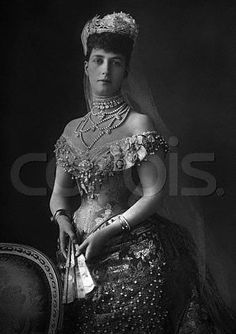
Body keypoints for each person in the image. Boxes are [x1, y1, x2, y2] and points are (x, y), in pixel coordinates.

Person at [50, 12, 236, 333]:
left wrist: (107, 231)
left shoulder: (138, 124)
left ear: (126, 72)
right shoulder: (71, 129)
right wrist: (63, 220)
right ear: (87, 66)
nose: (105, 70)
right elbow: (58, 195)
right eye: (98, 60)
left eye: (115, 62)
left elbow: (154, 194)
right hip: (76, 254)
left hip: (130, 251)